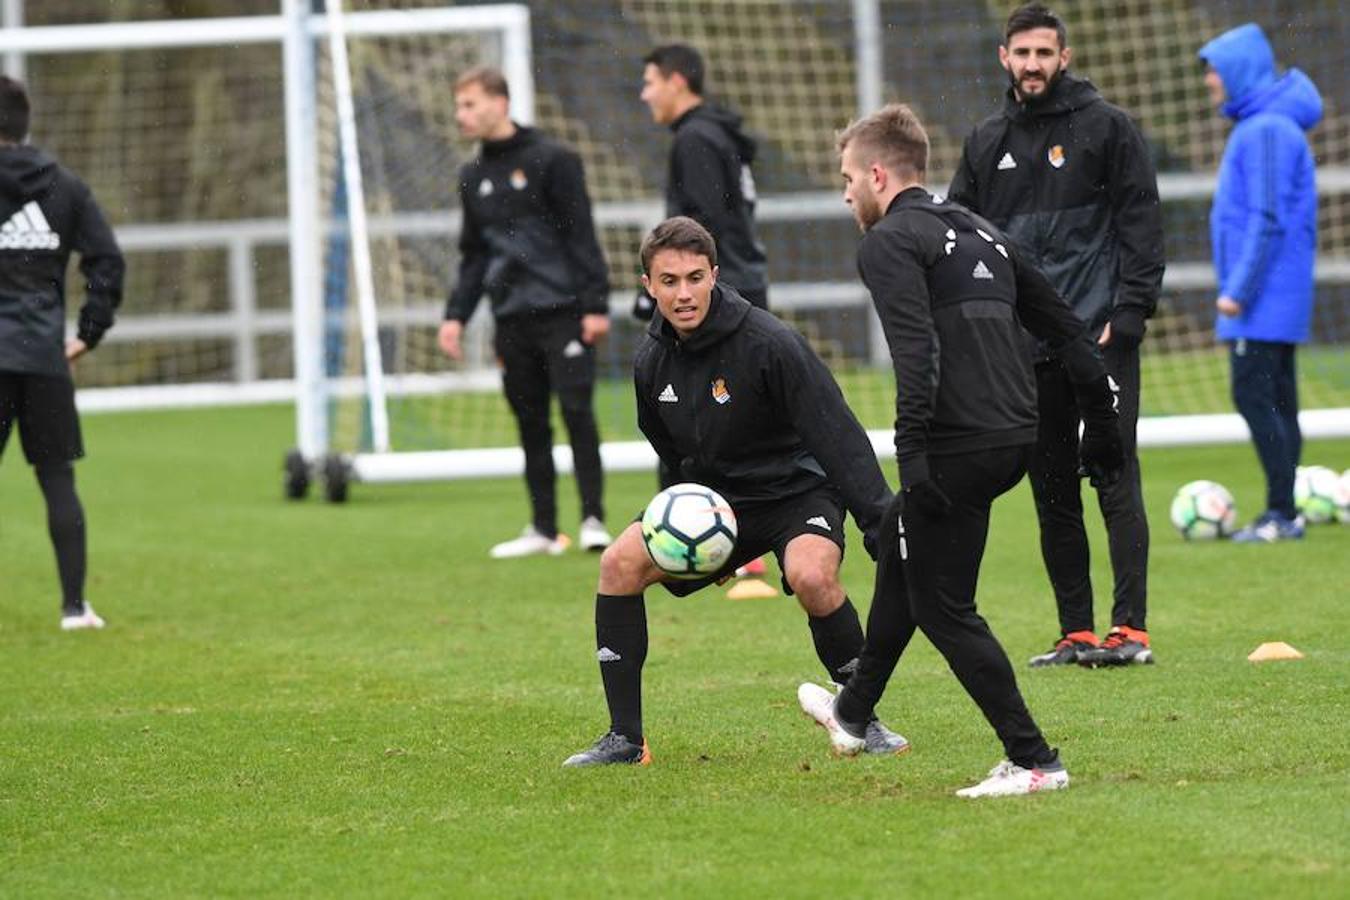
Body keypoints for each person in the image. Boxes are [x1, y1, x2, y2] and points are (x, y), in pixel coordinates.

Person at [798, 103, 1123, 797]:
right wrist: (1101, 418)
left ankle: (1034, 759)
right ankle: (852, 715)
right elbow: (1066, 327)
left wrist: (910, 456)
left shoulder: (887, 243)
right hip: (1014, 436)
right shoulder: (983, 232)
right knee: (902, 549)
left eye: (847, 178)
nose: (845, 192)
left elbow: (916, 355)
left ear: (878, 174)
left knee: (944, 605)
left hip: (956, 445)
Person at [563, 216, 905, 767]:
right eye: (668, 281)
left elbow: (836, 433)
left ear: (715, 276)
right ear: (647, 285)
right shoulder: (651, 361)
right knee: (618, 563)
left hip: (799, 492)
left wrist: (879, 522)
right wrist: (702, 533)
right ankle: (625, 740)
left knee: (812, 576)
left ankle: (864, 720)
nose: (683, 293)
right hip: (721, 504)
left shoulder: (770, 343)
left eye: (695, 278)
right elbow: (673, 451)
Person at [947, 3, 1165, 668]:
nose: (1034, 65)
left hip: (1100, 340)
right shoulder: (986, 142)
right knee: (1051, 489)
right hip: (1026, 350)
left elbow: (1142, 226)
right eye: (1023, 54)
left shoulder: (1108, 128)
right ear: (1004, 59)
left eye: (1045, 53)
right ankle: (1076, 632)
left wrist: (1128, 316)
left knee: (1114, 475)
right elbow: (962, 240)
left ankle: (1130, 631)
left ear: (1064, 57)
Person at [438, 66, 613, 559]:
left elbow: (581, 234)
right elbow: (474, 255)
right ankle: (543, 528)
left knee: (577, 412)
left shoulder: (553, 159)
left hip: (564, 311)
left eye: (469, 104)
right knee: (529, 420)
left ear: (500, 102)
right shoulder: (472, 176)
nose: (461, 115)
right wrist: (457, 315)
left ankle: (593, 519)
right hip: (510, 318)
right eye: (459, 106)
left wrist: (595, 304)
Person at [0, 75, 124, 631]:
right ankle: (75, 607)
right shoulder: (65, 187)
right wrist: (88, 332)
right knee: (57, 478)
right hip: (45, 356)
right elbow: (107, 260)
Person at [1198, 24, 1321, 543]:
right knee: (1278, 400)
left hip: (1262, 300)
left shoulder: (1266, 129)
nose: (1209, 81)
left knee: (1255, 397)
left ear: (1239, 70)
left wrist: (1238, 290)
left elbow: (1266, 217)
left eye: (1213, 69)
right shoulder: (1265, 125)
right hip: (1275, 298)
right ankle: (1286, 507)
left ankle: (1280, 512)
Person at [635, 43, 768, 315]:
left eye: (650, 83)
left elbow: (702, 224)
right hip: (739, 282)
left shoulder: (696, 139)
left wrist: (663, 284)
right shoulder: (715, 132)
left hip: (721, 292)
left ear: (676, 83)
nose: (644, 95)